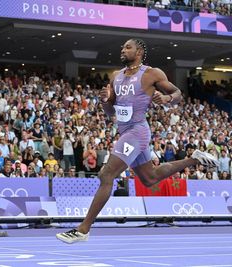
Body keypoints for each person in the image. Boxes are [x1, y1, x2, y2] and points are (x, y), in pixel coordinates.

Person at [56, 39, 219, 244]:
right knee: (150, 178)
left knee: (106, 174)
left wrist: (167, 99)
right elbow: (110, 113)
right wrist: (105, 101)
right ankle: (193, 160)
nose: (122, 50)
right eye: (122, 47)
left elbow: (177, 93)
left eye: (127, 47)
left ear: (139, 51)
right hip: (124, 131)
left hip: (137, 132)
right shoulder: (116, 76)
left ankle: (83, 229)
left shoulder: (152, 74)